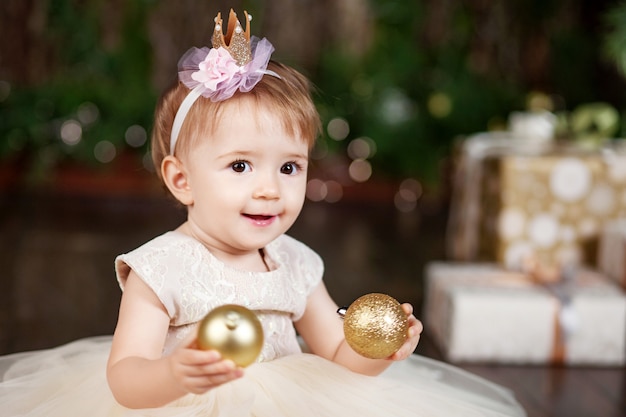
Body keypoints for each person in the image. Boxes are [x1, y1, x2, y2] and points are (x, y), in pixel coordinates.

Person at [0, 9, 526, 417]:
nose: (271, 190)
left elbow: (335, 357)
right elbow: (125, 378)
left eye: (290, 168)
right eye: (241, 166)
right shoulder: (161, 268)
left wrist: (379, 351)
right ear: (181, 179)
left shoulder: (296, 263)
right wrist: (177, 373)